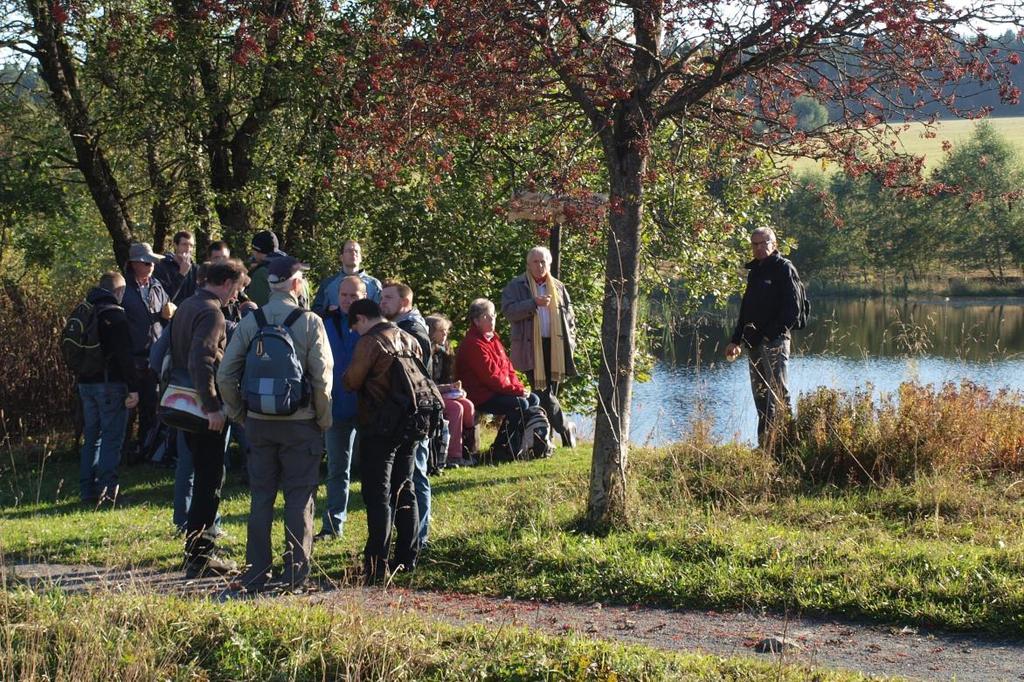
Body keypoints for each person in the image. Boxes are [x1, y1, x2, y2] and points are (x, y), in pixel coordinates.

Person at [218, 256, 334, 592]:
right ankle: (295, 575)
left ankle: (256, 573)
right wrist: (323, 420)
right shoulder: (310, 322)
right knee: (299, 497)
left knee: (261, 497)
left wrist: (241, 414)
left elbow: (225, 375)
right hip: (301, 424)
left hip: (258, 423)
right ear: (297, 284)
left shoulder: (251, 321)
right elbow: (323, 380)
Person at [169, 258, 248, 578]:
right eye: (238, 289)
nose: (236, 297)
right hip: (205, 410)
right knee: (209, 482)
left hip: (182, 402)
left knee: (201, 476)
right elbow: (202, 360)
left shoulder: (188, 304)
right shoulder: (213, 313)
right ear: (228, 283)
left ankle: (195, 554)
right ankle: (199, 559)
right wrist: (213, 407)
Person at [343, 298, 422, 583]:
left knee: (378, 495)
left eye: (355, 327)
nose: (355, 332)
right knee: (406, 488)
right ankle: (408, 557)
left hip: (379, 425)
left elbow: (352, 380)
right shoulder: (410, 339)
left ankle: (377, 564)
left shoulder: (370, 342)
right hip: (410, 423)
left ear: (362, 318)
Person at [724, 226, 802, 449]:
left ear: (773, 244)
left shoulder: (784, 269)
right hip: (753, 343)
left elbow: (793, 311)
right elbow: (746, 310)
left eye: (763, 243)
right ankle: (765, 445)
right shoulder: (755, 271)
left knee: (778, 392)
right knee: (760, 396)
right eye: (754, 244)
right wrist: (736, 340)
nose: (758, 248)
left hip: (775, 342)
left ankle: (789, 445)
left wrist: (770, 335)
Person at [501, 246, 579, 448]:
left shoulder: (559, 287)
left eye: (543, 261)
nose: (540, 265)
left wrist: (571, 340)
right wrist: (533, 303)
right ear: (528, 264)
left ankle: (547, 437)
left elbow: (570, 318)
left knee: (549, 392)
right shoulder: (517, 285)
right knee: (541, 392)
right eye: (535, 262)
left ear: (549, 264)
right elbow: (508, 312)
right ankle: (565, 428)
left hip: (555, 346)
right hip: (530, 346)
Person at [76, 272, 140, 505]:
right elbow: (124, 356)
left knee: (92, 437)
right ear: (119, 291)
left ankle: (87, 490)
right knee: (112, 438)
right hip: (110, 384)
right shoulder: (115, 314)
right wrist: (133, 387)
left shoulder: (85, 310)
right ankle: (108, 492)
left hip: (85, 383)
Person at [380, 281, 432, 549]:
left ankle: (420, 536)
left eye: (388, 297)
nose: (382, 302)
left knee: (416, 475)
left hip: (413, 414)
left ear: (405, 302)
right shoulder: (399, 328)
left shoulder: (413, 331)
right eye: (381, 297)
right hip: (404, 413)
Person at [316, 275, 366, 541]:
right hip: (336, 408)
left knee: (374, 469)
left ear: (364, 296)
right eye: (344, 295)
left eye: (354, 296)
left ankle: (379, 524)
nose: (348, 301)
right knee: (337, 469)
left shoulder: (372, 326)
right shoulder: (325, 324)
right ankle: (333, 524)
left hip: (368, 408)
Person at [456, 298, 540, 440]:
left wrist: (519, 388)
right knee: (520, 404)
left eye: (493, 315)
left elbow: (508, 369)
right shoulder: (473, 344)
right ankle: (502, 447)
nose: (492, 319)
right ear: (476, 321)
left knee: (533, 399)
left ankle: (519, 444)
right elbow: (491, 377)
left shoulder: (493, 340)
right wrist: (516, 391)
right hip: (480, 394)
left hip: (494, 391)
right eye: (487, 316)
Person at [122, 242, 173, 462]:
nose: (150, 265)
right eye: (145, 262)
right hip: (129, 358)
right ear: (133, 264)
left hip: (153, 357)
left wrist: (170, 312)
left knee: (150, 408)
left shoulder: (158, 286)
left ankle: (145, 449)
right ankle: (121, 452)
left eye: (152, 261)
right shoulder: (122, 288)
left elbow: (167, 311)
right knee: (126, 410)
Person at [425, 314, 476, 466]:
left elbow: (445, 380)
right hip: (429, 395)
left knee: (468, 405)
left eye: (446, 331)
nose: (445, 334)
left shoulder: (445, 351)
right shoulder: (426, 351)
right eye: (441, 331)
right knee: (456, 408)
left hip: (442, 393)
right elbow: (426, 384)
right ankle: (452, 455)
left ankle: (468, 450)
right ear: (431, 332)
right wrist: (447, 388)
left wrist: (455, 388)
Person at [311, 240, 383, 315]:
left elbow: (381, 312)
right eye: (349, 251)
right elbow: (315, 311)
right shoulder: (328, 284)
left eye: (356, 251)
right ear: (341, 257)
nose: (353, 253)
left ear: (361, 258)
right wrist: (328, 311)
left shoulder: (374, 284)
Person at [155, 230, 198, 305]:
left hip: (191, 313)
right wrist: (181, 274)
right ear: (175, 245)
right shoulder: (162, 266)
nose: (188, 249)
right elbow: (164, 297)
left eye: (191, 246)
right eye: (184, 244)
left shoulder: (196, 269)